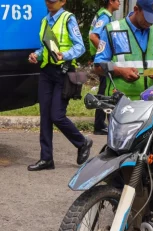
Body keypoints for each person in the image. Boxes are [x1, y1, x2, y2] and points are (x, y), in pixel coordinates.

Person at [27, 0, 92, 171]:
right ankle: (46, 158)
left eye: (53, 1)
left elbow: (80, 47)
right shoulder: (44, 20)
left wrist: (66, 54)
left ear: (63, 1)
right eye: (47, 0)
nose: (49, 3)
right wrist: (36, 55)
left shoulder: (68, 18)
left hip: (63, 73)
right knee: (45, 116)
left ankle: (82, 142)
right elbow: (45, 48)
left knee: (57, 115)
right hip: (46, 73)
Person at [94, 0, 153, 100]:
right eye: (148, 18)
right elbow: (98, 67)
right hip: (121, 102)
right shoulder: (113, 30)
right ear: (136, 9)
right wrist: (120, 71)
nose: (151, 22)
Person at [89, 0, 121, 135]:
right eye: (118, 0)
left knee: (104, 90)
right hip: (103, 61)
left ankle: (101, 124)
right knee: (104, 92)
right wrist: (104, 52)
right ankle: (100, 125)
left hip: (101, 59)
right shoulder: (105, 16)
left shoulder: (106, 15)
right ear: (111, 1)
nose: (119, 3)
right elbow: (93, 36)